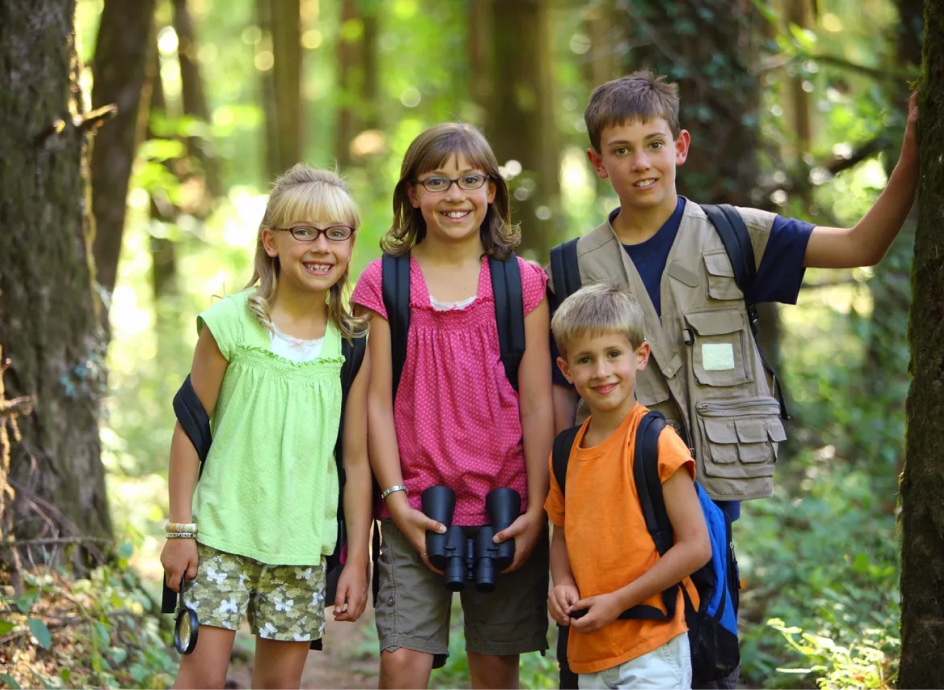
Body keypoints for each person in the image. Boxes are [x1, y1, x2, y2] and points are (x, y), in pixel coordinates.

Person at [547, 71, 919, 688]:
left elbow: (861, 245)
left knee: (709, 658)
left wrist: (911, 155)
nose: (641, 163)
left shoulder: (734, 234)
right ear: (596, 162)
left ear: (681, 146)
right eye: (621, 150)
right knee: (608, 654)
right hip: (614, 516)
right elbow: (555, 395)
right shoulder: (568, 265)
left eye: (654, 143)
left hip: (711, 505)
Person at [352, 122, 554, 689]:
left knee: (495, 668)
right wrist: (394, 499)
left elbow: (538, 405)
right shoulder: (387, 280)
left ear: (492, 190)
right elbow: (375, 404)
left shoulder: (522, 283)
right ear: (412, 194)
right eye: (436, 181)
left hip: (506, 503)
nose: (455, 195)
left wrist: (536, 508)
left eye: (470, 179)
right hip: (414, 500)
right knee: (402, 661)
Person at [159, 165, 372, 689]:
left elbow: (356, 459)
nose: (321, 247)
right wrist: (180, 531)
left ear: (349, 246)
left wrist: (355, 560)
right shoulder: (230, 322)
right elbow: (190, 428)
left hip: (301, 548)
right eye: (304, 231)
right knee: (201, 680)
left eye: (337, 234)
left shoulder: (351, 343)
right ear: (271, 241)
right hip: (219, 538)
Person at [546, 283, 711, 690]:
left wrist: (619, 601)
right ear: (566, 369)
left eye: (613, 354)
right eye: (585, 360)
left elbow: (695, 546)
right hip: (590, 649)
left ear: (640, 356)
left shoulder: (657, 443)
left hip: (653, 642)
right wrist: (562, 583)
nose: (601, 372)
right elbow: (563, 533)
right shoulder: (565, 451)